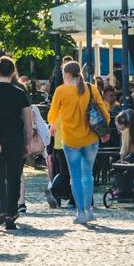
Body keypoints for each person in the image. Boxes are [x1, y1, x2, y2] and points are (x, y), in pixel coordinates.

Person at [48, 60, 109, 226]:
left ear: (67, 75)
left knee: (75, 176)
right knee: (87, 174)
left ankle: (80, 211)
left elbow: (52, 115)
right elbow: (104, 112)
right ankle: (89, 209)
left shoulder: (60, 91)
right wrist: (104, 131)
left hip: (70, 140)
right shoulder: (91, 88)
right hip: (91, 139)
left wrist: (52, 126)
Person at [0, 56, 31, 231]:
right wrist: (28, 142)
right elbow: (27, 121)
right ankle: (10, 214)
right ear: (13, 72)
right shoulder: (20, 93)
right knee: (14, 177)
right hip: (15, 139)